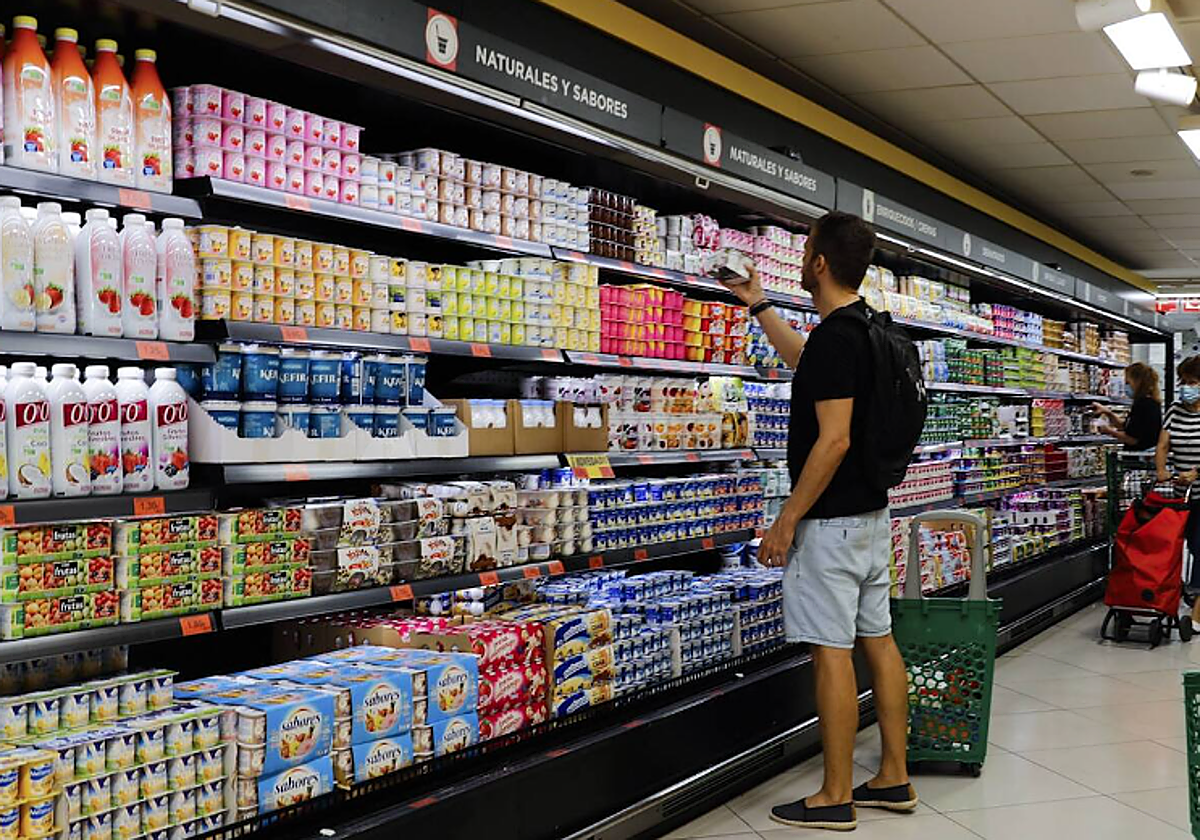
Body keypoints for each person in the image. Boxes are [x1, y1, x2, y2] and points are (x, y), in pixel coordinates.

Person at [723, 211, 916, 832]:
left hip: (831, 527)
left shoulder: (838, 338)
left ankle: (835, 795)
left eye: (806, 248)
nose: (803, 257)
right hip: (872, 517)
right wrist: (758, 304)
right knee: (879, 641)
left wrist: (786, 519)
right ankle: (893, 776)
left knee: (830, 654)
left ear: (820, 263)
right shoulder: (869, 328)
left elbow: (833, 440)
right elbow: (808, 364)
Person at [1156, 356, 1200, 632]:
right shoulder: (1175, 410)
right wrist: (1161, 469)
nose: (1186, 387)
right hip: (1182, 495)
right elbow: (1163, 444)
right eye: (1183, 381)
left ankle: (1197, 616)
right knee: (1190, 546)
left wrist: (1197, 472)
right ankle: (1191, 592)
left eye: (1192, 382)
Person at [1092, 362, 1161, 450]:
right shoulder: (1149, 402)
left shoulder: (1144, 404)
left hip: (1139, 455)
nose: (1125, 386)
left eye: (1127, 382)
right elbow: (1126, 427)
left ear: (1138, 382)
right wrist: (1108, 412)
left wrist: (1109, 431)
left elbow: (1134, 439)